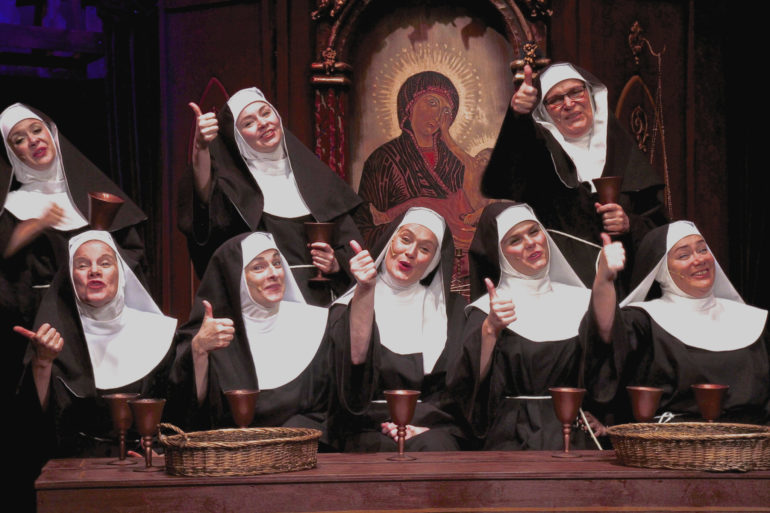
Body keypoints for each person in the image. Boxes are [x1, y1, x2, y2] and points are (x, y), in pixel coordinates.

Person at [1, 103, 147, 402]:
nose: (33, 140)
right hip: (45, 325)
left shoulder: (93, 194)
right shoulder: (12, 208)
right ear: (13, 153)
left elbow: (134, 256)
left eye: (37, 130)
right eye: (19, 139)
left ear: (53, 134)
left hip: (104, 322)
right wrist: (35, 226)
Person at [481, 63, 667, 290]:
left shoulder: (623, 155)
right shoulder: (539, 160)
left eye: (576, 92)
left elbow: (660, 231)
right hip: (563, 289)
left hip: (628, 287)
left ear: (591, 95)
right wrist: (518, 115)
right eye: (555, 100)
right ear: (544, 111)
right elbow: (506, 176)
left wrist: (629, 224)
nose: (568, 104)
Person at [178, 87, 362, 305]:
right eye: (248, 123)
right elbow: (204, 209)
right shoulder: (233, 192)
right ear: (237, 138)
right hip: (263, 307)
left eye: (266, 113)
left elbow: (353, 250)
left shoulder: (317, 181)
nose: (263, 123)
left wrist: (336, 264)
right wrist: (200, 148)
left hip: (320, 304)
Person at [588, 221, 769, 424]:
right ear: (662, 270)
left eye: (703, 250)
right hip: (675, 440)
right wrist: (604, 281)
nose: (699, 259)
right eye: (684, 255)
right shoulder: (645, 320)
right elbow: (606, 335)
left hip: (755, 439)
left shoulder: (753, 320)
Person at [451, 202, 598, 449]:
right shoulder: (486, 312)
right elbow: (467, 388)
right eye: (515, 240)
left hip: (576, 434)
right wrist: (490, 329)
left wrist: (601, 415)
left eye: (533, 231)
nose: (531, 243)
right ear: (499, 254)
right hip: (513, 436)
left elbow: (606, 372)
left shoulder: (584, 300)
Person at [16, 230, 175, 459]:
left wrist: (161, 457)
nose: (94, 271)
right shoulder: (53, 341)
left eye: (105, 263)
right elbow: (34, 425)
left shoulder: (158, 332)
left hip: (146, 464)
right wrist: (42, 362)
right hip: (77, 465)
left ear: (121, 273)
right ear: (71, 278)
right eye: (82, 265)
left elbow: (180, 413)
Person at [327, 207, 469, 451]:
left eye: (425, 249)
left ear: (434, 260)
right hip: (364, 425)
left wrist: (420, 425)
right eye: (405, 239)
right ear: (390, 241)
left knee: (437, 446)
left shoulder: (450, 312)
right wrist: (365, 290)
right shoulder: (347, 306)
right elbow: (350, 377)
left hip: (428, 425)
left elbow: (456, 391)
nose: (410, 252)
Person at [170, 232, 333, 440]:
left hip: (301, 450)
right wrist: (199, 350)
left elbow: (329, 409)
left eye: (277, 263)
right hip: (230, 454)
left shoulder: (314, 323)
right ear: (235, 277)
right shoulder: (209, 335)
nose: (273, 273)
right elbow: (190, 417)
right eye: (258, 267)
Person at [355, 71, 471, 247]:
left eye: (446, 110)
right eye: (432, 103)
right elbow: (364, 228)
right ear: (409, 104)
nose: (438, 114)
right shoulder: (383, 159)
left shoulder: (455, 163)